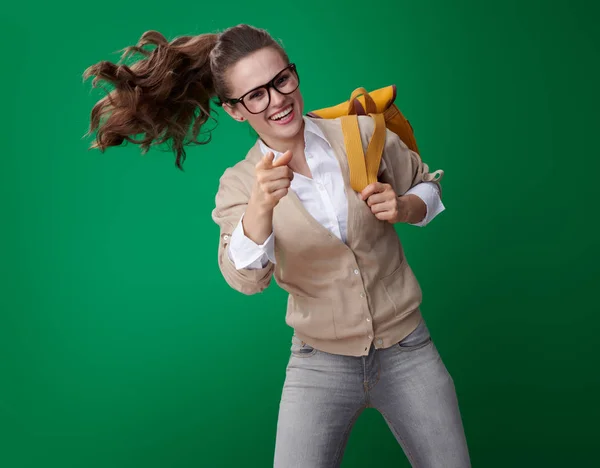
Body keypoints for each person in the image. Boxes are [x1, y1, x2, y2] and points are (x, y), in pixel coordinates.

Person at [84, 24, 471, 468]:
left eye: (281, 80)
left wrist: (404, 206)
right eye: (256, 95)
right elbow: (245, 279)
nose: (277, 100)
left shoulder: (361, 134)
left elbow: (428, 188)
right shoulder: (238, 185)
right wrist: (260, 208)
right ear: (235, 111)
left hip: (408, 348)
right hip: (318, 363)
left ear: (293, 73)